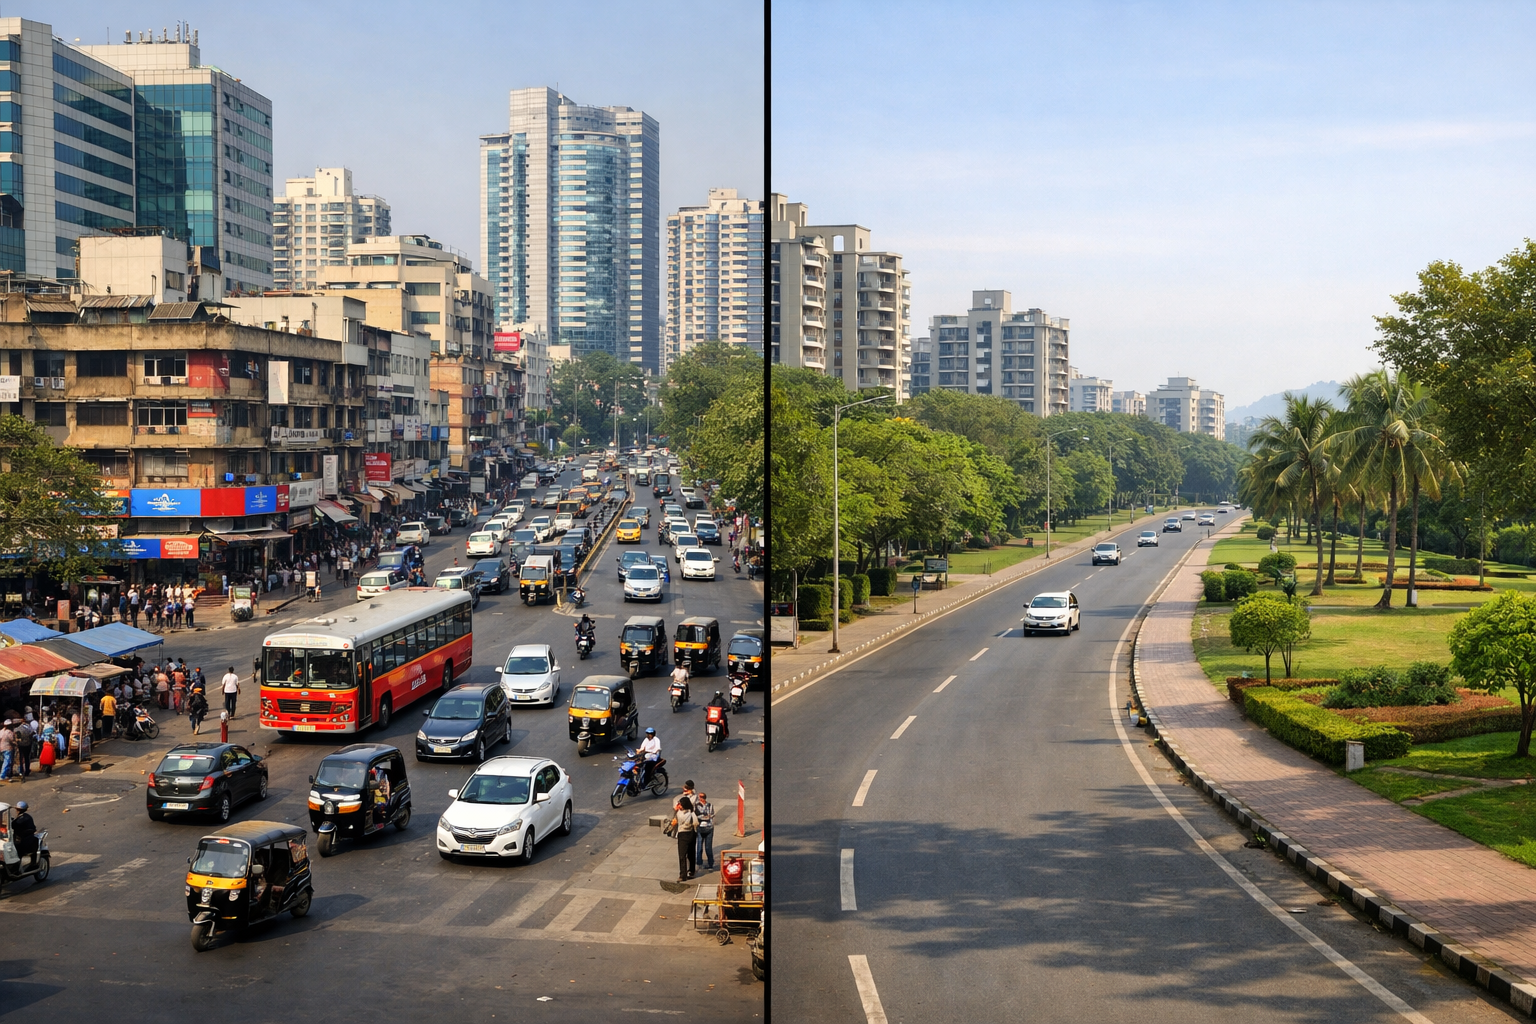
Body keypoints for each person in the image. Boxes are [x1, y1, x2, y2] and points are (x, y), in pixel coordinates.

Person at [674, 795, 699, 882]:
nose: (679, 806)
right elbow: (696, 823)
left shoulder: (680, 813)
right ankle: (691, 871)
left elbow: (678, 821)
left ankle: (683, 874)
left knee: (682, 855)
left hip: (683, 834)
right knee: (691, 853)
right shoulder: (692, 813)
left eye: (680, 804)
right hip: (691, 834)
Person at [694, 791, 716, 871]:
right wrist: (706, 817)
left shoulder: (709, 805)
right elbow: (700, 815)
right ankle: (701, 863)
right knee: (700, 847)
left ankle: (709, 864)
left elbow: (710, 815)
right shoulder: (697, 806)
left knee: (707, 847)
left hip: (707, 828)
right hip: (702, 827)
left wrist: (704, 817)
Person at [11, 800, 38, 867]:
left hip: (25, 840)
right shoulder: (26, 816)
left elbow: (13, 825)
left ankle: (17, 867)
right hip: (26, 837)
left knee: (15, 849)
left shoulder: (22, 819)